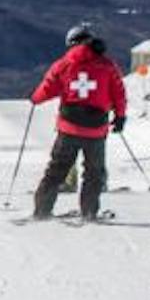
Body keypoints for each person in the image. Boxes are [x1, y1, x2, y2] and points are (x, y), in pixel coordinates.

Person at [29, 23, 128, 221]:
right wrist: (120, 116)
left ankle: (42, 211)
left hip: (68, 128)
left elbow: (48, 87)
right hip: (96, 130)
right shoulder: (107, 65)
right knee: (94, 173)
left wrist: (35, 98)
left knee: (56, 170)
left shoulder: (64, 64)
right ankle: (89, 212)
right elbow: (118, 92)